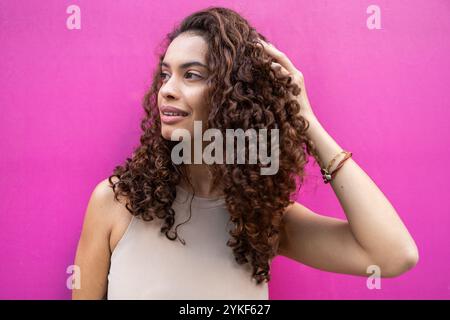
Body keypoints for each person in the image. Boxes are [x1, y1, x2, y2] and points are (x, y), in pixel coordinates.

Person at [72, 6, 419, 300]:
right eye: (165, 74)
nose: (167, 90)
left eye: (191, 75)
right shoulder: (115, 203)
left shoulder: (261, 218)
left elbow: (393, 256)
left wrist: (306, 121)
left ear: (233, 96)